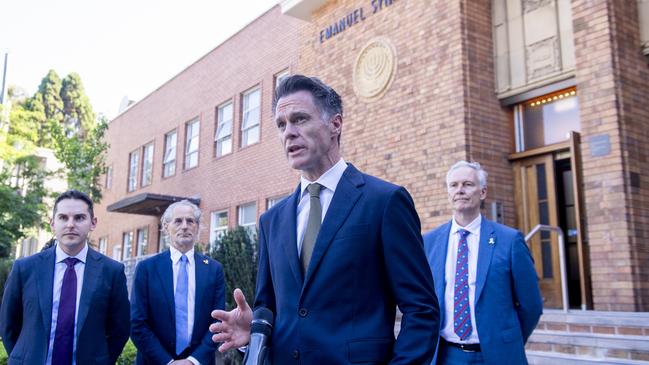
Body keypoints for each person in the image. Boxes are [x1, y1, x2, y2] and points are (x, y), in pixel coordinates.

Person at [210, 75, 440, 364]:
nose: (288, 133)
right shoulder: (272, 220)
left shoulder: (384, 202)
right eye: (281, 125)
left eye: (300, 119)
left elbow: (422, 310)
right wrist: (254, 332)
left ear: (335, 124)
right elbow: (268, 305)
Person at [423, 161, 543, 365]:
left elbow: (531, 305)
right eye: (453, 185)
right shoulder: (429, 242)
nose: (460, 190)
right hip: (446, 356)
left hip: (497, 356)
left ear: (483, 192)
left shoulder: (509, 240)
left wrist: (507, 342)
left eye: (468, 184)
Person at [0, 189, 130, 364]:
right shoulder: (25, 268)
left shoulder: (112, 272)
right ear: (52, 224)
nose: (70, 224)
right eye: (63, 218)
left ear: (93, 223)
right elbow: (8, 323)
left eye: (79, 218)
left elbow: (119, 329)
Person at [131, 200, 225, 365]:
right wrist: (168, 362)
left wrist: (193, 361)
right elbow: (137, 323)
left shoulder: (214, 270)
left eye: (190, 221)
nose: (184, 226)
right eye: (178, 221)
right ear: (166, 227)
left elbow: (217, 322)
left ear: (197, 227)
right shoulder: (146, 269)